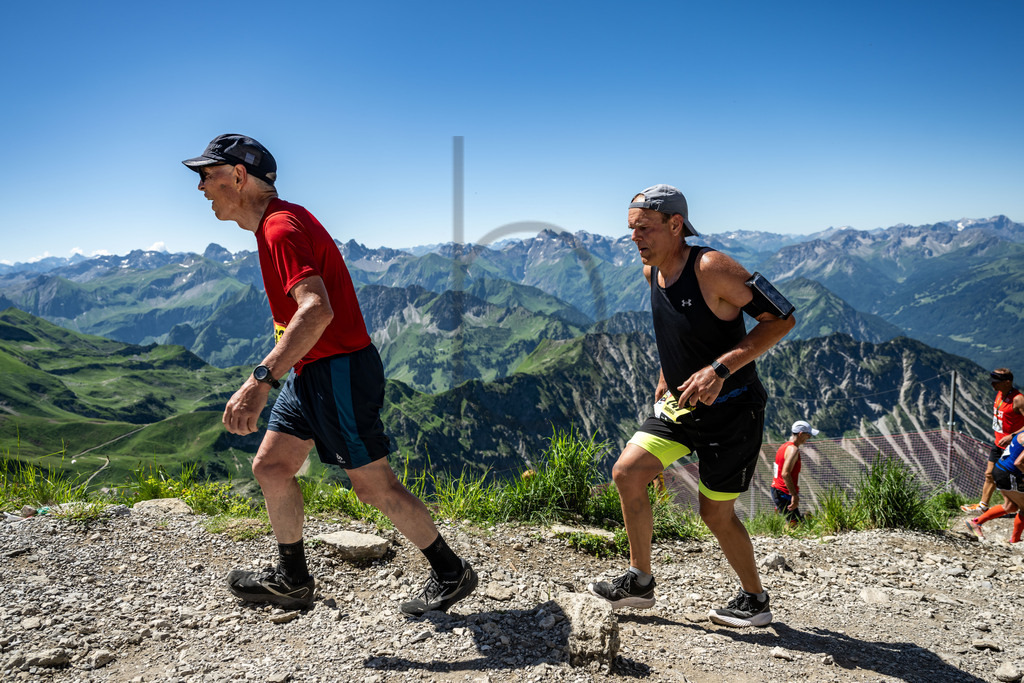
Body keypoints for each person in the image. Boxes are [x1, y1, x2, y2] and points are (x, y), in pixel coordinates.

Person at [181, 134, 477, 615]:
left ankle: (450, 571)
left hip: (337, 370)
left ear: (238, 176)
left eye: (207, 175)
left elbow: (316, 311)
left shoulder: (280, 228)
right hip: (313, 369)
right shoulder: (276, 225)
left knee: (371, 485)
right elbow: (299, 321)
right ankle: (293, 581)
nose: (200, 187)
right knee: (272, 467)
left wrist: (260, 381)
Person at [587, 185, 795, 628]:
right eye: (630, 229)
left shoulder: (711, 267)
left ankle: (755, 599)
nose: (635, 238)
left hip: (733, 408)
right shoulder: (652, 273)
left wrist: (719, 369)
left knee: (714, 513)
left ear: (675, 225)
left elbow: (782, 318)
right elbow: (677, 330)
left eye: (644, 228)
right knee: (627, 473)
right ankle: (640, 580)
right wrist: (666, 378)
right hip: (681, 405)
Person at [962, 369, 1024, 514]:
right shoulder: (1000, 394)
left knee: (1009, 479)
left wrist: (1012, 435)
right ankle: (983, 506)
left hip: (1012, 446)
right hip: (997, 443)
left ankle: (1011, 507)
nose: (992, 385)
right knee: (989, 474)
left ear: (1007, 382)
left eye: (996, 382)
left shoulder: (1018, 399)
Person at [967, 432, 1024, 544]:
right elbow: (1019, 462)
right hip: (1009, 473)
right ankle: (1014, 540)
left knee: (1010, 506)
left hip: (1000, 469)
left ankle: (976, 522)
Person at [770, 420, 819, 525]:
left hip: (777, 490)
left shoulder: (783, 446)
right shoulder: (793, 449)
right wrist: (794, 495)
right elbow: (785, 473)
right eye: (808, 435)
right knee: (796, 526)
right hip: (783, 493)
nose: (809, 438)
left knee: (790, 523)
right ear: (801, 434)